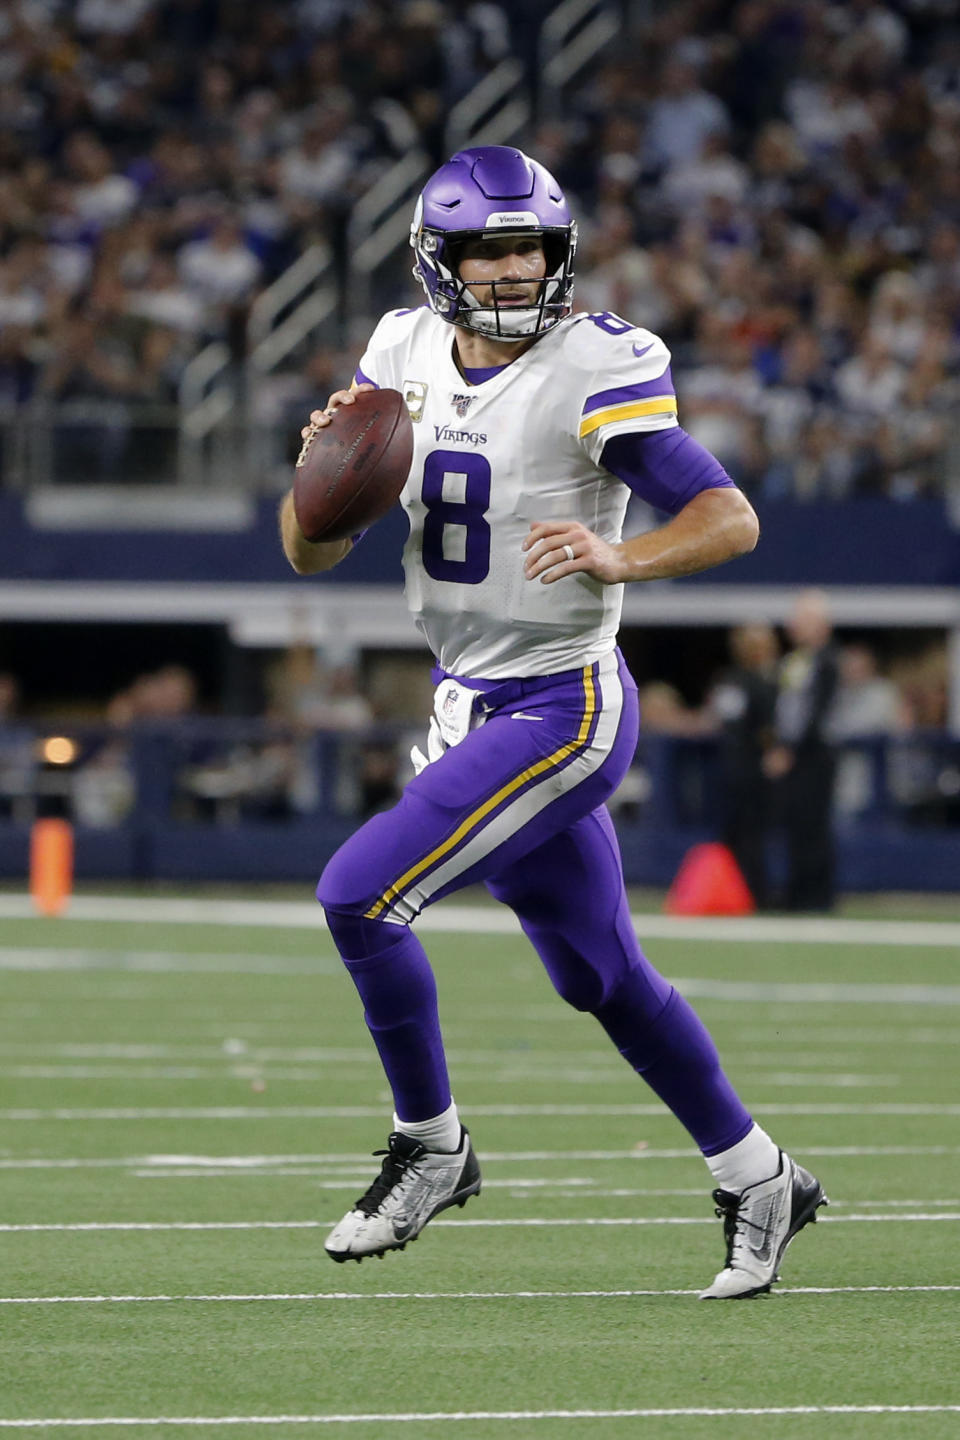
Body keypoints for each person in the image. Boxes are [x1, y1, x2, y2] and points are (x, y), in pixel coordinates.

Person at [279, 146, 826, 1299]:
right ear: (442, 263)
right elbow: (308, 549)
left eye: (530, 243)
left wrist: (620, 551)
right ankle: (761, 1174)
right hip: (466, 699)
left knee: (358, 892)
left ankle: (431, 1146)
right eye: (490, 248)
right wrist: (318, 480)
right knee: (601, 976)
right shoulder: (401, 354)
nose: (517, 267)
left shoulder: (594, 364)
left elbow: (731, 519)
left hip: (563, 700)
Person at [764, 590, 840, 911]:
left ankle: (816, 895)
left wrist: (790, 749)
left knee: (813, 824)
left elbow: (815, 713)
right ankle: (797, 890)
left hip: (814, 754)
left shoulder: (826, 661)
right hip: (796, 753)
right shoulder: (797, 660)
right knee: (795, 824)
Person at [709, 622, 780, 908]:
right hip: (748, 767)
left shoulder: (727, 680)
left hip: (728, 765)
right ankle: (751, 894)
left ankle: (734, 892)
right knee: (750, 835)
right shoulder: (759, 683)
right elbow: (766, 731)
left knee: (736, 834)